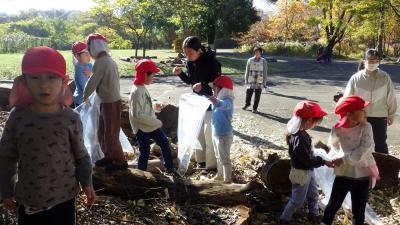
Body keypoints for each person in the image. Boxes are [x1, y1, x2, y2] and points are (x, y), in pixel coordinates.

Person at [0, 46, 96, 225]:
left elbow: (81, 155)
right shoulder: (18, 117)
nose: (44, 85)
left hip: (65, 200)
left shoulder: (70, 118)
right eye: (35, 78)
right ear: (24, 81)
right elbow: (6, 156)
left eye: (51, 77)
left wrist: (87, 183)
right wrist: (6, 189)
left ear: (63, 81)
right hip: (28, 198)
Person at [321, 95, 380, 225]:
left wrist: (344, 158)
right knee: (334, 204)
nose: (366, 113)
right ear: (349, 114)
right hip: (343, 173)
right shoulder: (337, 128)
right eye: (362, 110)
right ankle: (325, 222)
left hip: (362, 174)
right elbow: (333, 146)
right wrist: (334, 157)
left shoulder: (366, 127)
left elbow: (365, 148)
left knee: (359, 209)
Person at [172, 36, 221, 171]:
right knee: (197, 132)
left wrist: (204, 86)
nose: (187, 56)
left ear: (199, 50)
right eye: (185, 53)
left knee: (209, 133)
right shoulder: (190, 63)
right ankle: (201, 161)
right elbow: (190, 81)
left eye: (190, 53)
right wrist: (181, 73)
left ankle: (211, 165)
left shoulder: (212, 63)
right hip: (196, 102)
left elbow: (218, 85)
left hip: (211, 102)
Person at [279, 100, 332, 225]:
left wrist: (318, 157)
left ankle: (314, 214)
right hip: (301, 172)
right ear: (309, 120)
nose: (316, 125)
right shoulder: (298, 138)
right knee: (297, 200)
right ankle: (284, 219)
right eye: (316, 122)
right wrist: (323, 161)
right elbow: (307, 160)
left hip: (308, 170)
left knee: (313, 193)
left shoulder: (302, 133)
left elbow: (308, 157)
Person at [83, 33, 127, 171]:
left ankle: (120, 161)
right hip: (107, 101)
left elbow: (92, 81)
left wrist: (85, 95)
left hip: (111, 103)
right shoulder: (107, 60)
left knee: (111, 133)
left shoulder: (101, 62)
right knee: (103, 131)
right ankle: (109, 156)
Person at [344, 49, 397, 154]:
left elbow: (391, 96)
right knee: (358, 142)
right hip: (359, 116)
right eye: (370, 60)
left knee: (380, 144)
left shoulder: (385, 77)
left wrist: (391, 114)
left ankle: (383, 168)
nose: (373, 63)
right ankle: (359, 168)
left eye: (376, 61)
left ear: (379, 62)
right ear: (364, 61)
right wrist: (347, 115)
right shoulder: (356, 78)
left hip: (380, 116)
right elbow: (348, 98)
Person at [129, 59, 175, 174]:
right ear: (145, 74)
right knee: (144, 151)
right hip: (142, 127)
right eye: (153, 74)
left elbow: (145, 105)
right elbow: (137, 115)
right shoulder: (136, 91)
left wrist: (155, 105)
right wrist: (157, 123)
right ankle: (141, 175)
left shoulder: (142, 88)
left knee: (164, 143)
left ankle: (170, 169)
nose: (153, 77)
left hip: (150, 124)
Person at [208, 75, 234, 183]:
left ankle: (227, 180)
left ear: (223, 89)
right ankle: (220, 175)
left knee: (225, 159)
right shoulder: (217, 100)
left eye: (215, 89)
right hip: (216, 133)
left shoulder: (228, 101)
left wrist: (216, 102)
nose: (213, 91)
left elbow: (224, 105)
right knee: (218, 156)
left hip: (224, 135)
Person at [243, 46, 268, 113]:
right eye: (256, 52)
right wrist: (246, 79)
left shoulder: (263, 61)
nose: (257, 53)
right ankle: (247, 104)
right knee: (248, 93)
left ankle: (255, 108)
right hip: (251, 79)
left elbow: (265, 71)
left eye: (258, 52)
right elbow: (247, 70)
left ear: (261, 53)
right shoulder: (250, 60)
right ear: (254, 52)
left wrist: (264, 81)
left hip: (259, 80)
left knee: (257, 95)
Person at [71, 41, 93, 106]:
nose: (89, 56)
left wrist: (91, 75)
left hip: (89, 97)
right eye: (86, 54)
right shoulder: (80, 69)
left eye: (89, 53)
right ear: (77, 56)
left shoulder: (89, 65)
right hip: (82, 100)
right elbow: (85, 86)